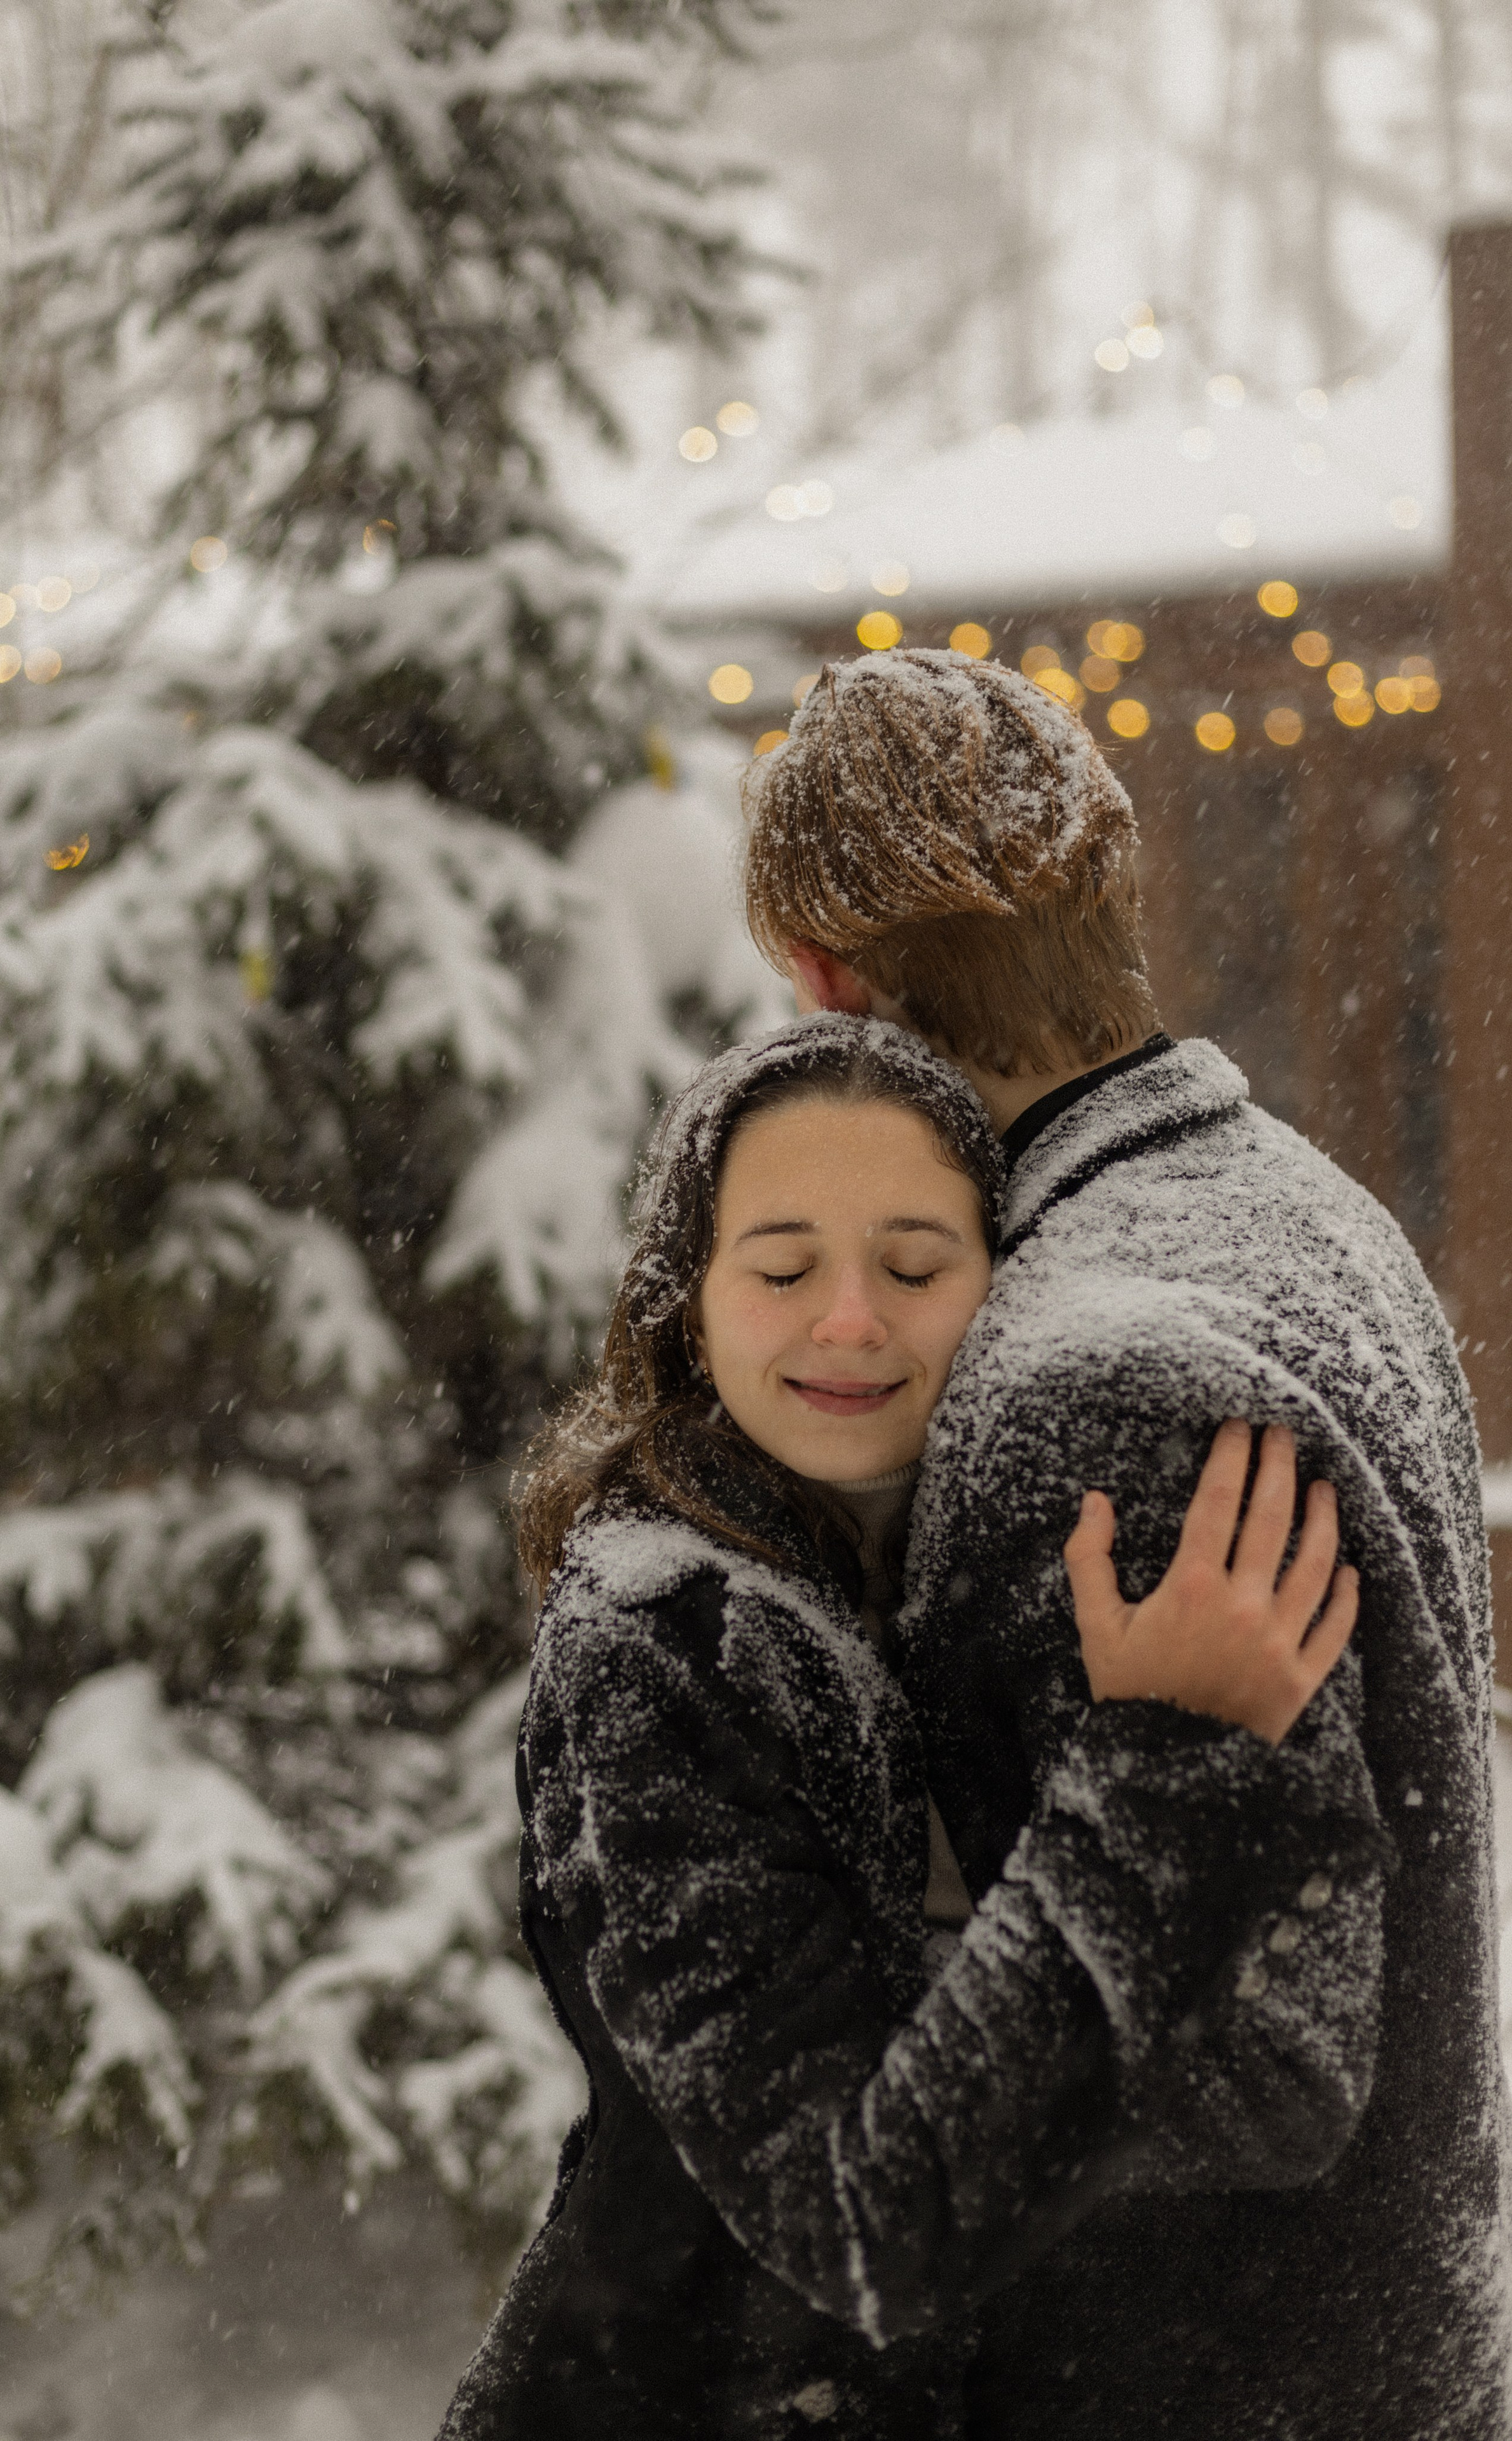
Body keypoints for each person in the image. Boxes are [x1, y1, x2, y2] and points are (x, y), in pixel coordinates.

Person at [741, 647, 1510, 2439]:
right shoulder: (1298, 1207)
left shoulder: (1099, 1374)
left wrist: (826, 2021)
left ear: (829, 982)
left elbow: (1263, 2061)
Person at [439, 1015, 1373, 2441]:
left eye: (916, 1264)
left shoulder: (991, 1581)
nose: (851, 1320)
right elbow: (859, 2217)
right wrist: (1165, 1761)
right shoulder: (659, 1641)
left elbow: (1269, 2097)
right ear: (684, 1300)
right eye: (781, 1267)